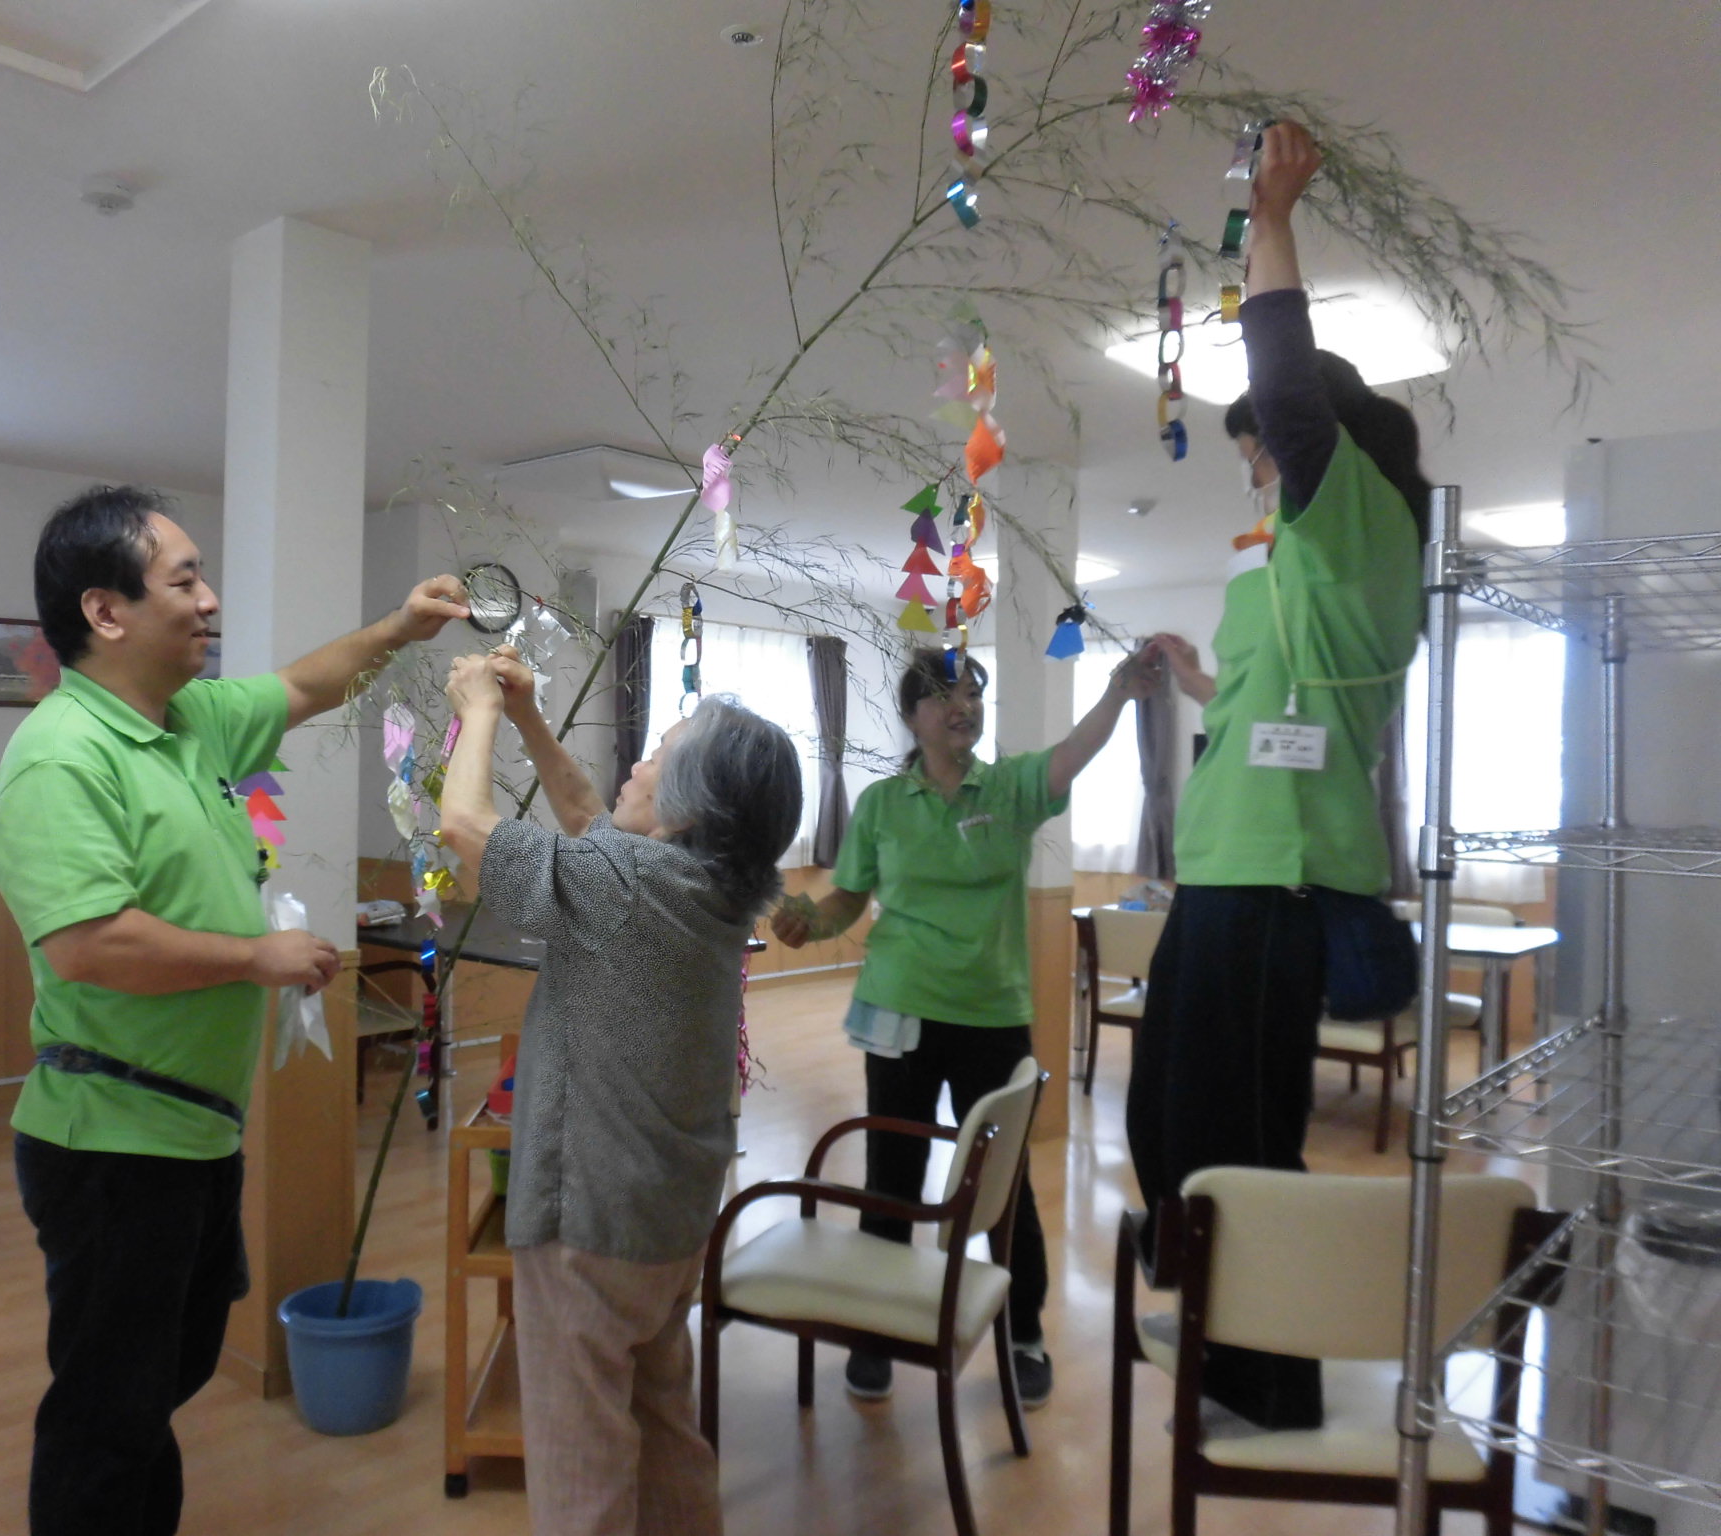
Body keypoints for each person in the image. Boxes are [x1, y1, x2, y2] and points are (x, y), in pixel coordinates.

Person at [0, 484, 467, 1536]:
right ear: (105, 611)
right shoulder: (62, 756)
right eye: (185, 579)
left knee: (164, 1375)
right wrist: (256, 957)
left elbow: (305, 683)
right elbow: (88, 943)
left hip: (195, 1129)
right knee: (108, 1413)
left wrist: (401, 626)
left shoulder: (188, 721)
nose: (210, 600)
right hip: (112, 1142)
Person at [1128, 120, 1431, 1432]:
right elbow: (1279, 707)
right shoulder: (1305, 564)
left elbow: (1290, 390)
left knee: (1237, 1140)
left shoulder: (1358, 514)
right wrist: (1199, 682)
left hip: (1282, 882)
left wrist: (1270, 217)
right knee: (1166, 1121)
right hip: (1228, 872)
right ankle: (1219, 1328)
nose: (1255, 468)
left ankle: (1265, 1378)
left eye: (1256, 449)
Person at [439, 649, 802, 1536]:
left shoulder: (630, 889)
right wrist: (529, 717)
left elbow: (465, 825)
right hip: (666, 1220)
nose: (636, 763)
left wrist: (476, 707)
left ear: (689, 807)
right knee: (663, 1426)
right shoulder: (703, 886)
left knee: (582, 1468)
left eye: (657, 754)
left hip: (590, 1221)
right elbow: (587, 816)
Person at [770, 641, 1158, 1407]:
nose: (963, 707)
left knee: (1002, 1182)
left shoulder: (1008, 788)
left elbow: (1072, 755)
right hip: (898, 1008)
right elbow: (849, 898)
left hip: (991, 1014)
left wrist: (1118, 692)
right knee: (892, 1175)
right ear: (913, 715)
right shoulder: (883, 804)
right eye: (945, 696)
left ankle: (1023, 1333)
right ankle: (877, 1333)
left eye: (973, 694)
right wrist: (809, 923)